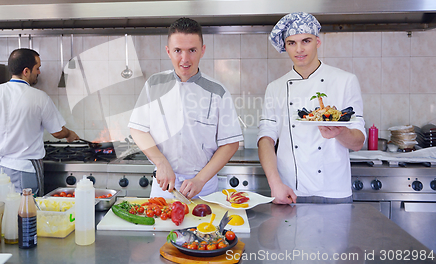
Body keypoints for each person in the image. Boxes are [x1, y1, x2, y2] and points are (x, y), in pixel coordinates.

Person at [257, 12, 366, 204]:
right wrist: (275, 184)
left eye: (305, 41)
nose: (299, 49)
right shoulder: (275, 88)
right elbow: (266, 138)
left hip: (334, 190)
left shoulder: (345, 81)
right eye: (291, 43)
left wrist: (340, 132)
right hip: (289, 190)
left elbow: (358, 142)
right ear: (285, 46)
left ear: (318, 41)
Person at [129, 18, 243, 199]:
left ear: (202, 50)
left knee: (205, 228)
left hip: (204, 189)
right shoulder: (154, 85)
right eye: (177, 51)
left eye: (192, 50)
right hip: (164, 187)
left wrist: (200, 179)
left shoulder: (218, 92)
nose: (185, 59)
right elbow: (137, 129)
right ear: (168, 51)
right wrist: (161, 162)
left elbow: (230, 143)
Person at [0, 48, 79, 195]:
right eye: (37, 68)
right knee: (27, 215)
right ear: (26, 71)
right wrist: (69, 134)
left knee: (4, 214)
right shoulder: (39, 97)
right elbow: (57, 132)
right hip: (26, 171)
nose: (39, 72)